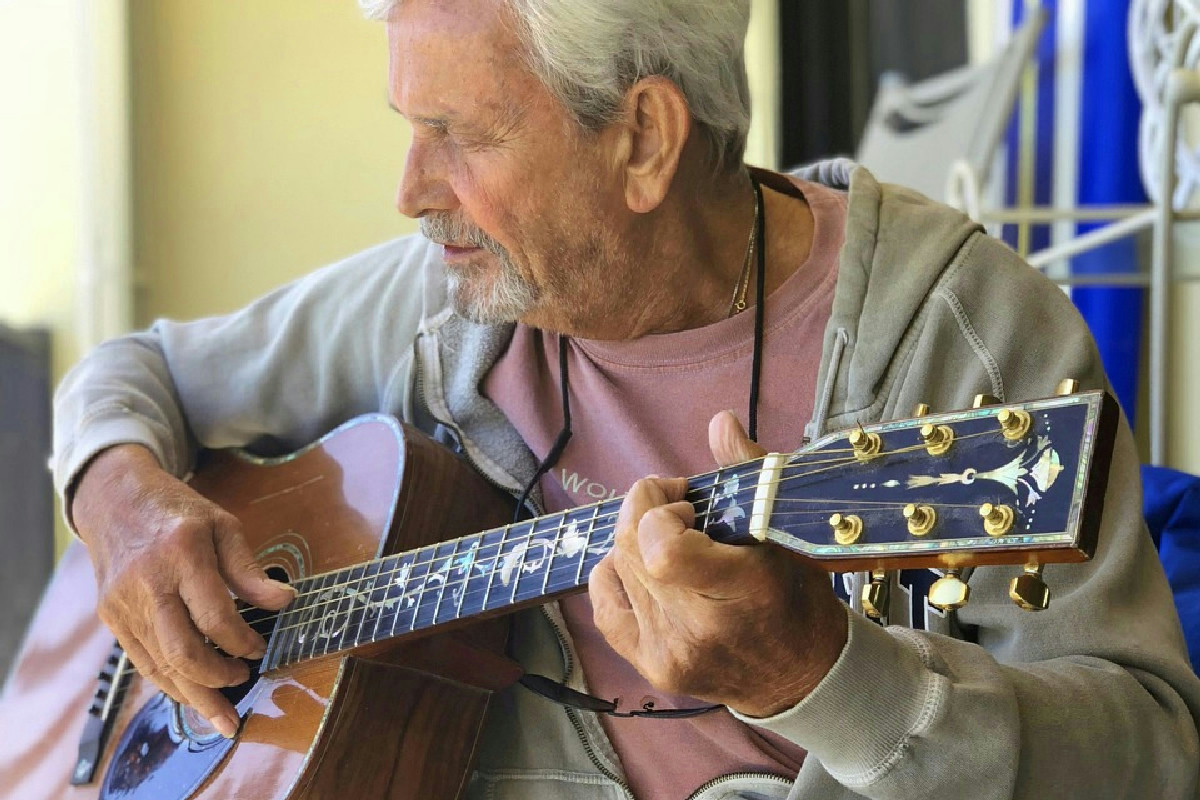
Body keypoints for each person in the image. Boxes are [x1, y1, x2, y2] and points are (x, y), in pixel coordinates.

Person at [54, 0, 1200, 798]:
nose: (410, 192)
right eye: (409, 131)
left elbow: (1155, 759)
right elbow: (131, 372)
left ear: (644, 138)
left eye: (459, 136)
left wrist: (827, 678)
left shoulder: (955, 331)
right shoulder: (446, 303)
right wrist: (120, 508)